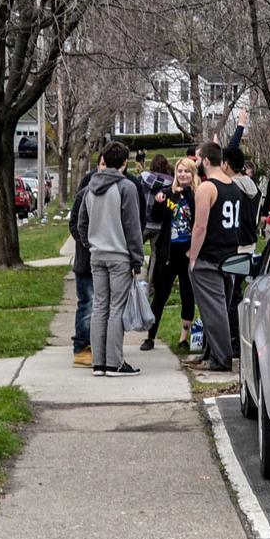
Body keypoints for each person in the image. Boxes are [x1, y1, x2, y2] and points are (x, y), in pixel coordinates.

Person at [78, 141, 144, 377]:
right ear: (125, 163)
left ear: (104, 160)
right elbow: (132, 228)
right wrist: (137, 260)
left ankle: (98, 363)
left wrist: (91, 244)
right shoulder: (127, 188)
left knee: (99, 307)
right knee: (116, 308)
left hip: (97, 255)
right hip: (119, 256)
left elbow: (81, 224)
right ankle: (114, 362)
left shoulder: (89, 189)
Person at [186, 141, 242, 373]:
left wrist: (192, 257)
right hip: (230, 256)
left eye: (198, 159)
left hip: (209, 258)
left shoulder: (207, 188)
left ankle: (221, 359)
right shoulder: (234, 185)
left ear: (206, 160)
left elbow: (200, 227)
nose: (196, 163)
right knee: (215, 308)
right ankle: (209, 353)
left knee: (215, 310)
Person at [141, 157, 199, 352]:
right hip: (167, 252)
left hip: (188, 252)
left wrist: (188, 193)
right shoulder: (167, 194)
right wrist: (159, 202)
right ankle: (150, 336)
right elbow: (157, 218)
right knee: (160, 296)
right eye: (180, 171)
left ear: (193, 174)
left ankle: (184, 337)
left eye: (187, 172)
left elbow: (198, 217)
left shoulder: (198, 194)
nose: (182, 175)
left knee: (187, 294)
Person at [222, 146, 261, 357]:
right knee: (238, 293)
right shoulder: (253, 187)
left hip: (233, 244)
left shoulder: (230, 188)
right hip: (250, 243)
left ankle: (233, 342)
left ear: (226, 165)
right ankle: (238, 339)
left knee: (230, 295)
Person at [68, 167, 97, 367]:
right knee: (87, 304)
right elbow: (74, 224)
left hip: (106, 260)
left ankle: (99, 346)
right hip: (86, 262)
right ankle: (82, 347)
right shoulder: (84, 192)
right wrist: (87, 243)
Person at [141, 154, 173, 285]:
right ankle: (150, 284)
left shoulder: (141, 179)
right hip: (159, 225)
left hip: (143, 222)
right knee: (155, 255)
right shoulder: (170, 183)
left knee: (133, 251)